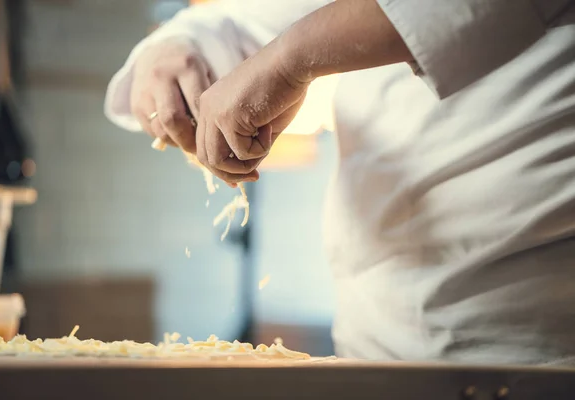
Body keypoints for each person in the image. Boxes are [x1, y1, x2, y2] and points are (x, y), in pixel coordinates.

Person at [105, 0, 575, 365]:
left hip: (536, 344)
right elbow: (264, 17)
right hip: (369, 340)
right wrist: (175, 45)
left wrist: (294, 59)